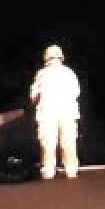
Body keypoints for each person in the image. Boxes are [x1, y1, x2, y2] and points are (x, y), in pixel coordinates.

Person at [29, 44, 80, 179]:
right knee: (68, 141)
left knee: (48, 143)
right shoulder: (70, 73)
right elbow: (76, 92)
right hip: (67, 112)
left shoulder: (41, 74)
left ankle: (49, 171)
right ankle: (71, 170)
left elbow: (33, 97)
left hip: (48, 114)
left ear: (46, 58)